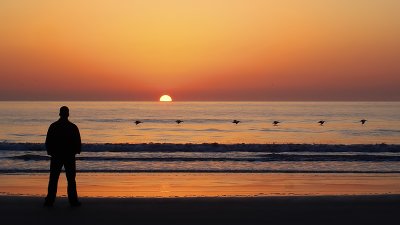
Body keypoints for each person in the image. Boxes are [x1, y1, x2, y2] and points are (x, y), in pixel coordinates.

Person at [44, 106, 82, 207]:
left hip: (57, 155)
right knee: (71, 179)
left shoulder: (54, 126)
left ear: (60, 114)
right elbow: (78, 142)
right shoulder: (73, 127)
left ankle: (50, 201)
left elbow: (48, 141)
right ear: (68, 114)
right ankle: (73, 201)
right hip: (69, 156)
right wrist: (76, 151)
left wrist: (50, 152)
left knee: (53, 179)